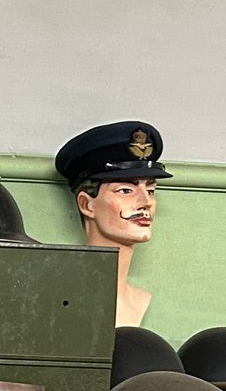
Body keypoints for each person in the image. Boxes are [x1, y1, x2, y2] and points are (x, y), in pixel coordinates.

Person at [53, 121, 169, 327]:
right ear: (86, 204)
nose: (146, 202)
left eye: (150, 190)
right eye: (125, 191)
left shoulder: (139, 300)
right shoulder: (61, 298)